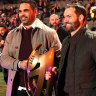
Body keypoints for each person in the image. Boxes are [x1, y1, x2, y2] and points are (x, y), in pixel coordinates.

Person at [0, 0, 61, 96]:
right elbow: (3, 59)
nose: (22, 14)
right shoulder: (11, 35)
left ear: (35, 12)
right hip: (17, 90)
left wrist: (53, 71)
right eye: (20, 11)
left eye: (26, 10)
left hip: (41, 91)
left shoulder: (49, 33)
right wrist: (20, 64)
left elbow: (60, 60)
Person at [46, 3, 96, 96]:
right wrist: (55, 72)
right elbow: (65, 68)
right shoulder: (65, 42)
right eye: (64, 17)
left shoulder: (93, 40)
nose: (65, 20)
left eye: (69, 16)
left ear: (80, 18)